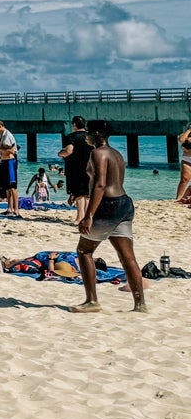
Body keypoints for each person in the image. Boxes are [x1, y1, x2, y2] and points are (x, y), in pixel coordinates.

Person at [70, 121, 146, 314]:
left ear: (96, 134)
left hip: (108, 206)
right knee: (127, 257)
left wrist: (88, 215)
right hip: (124, 204)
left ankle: (92, 301)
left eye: (88, 132)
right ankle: (140, 304)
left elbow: (100, 185)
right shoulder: (116, 154)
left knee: (84, 251)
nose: (85, 135)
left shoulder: (97, 153)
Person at [57, 116, 92, 210]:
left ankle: (80, 217)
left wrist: (60, 154)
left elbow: (69, 151)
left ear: (75, 125)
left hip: (76, 168)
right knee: (87, 193)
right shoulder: (90, 136)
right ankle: (87, 216)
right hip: (90, 167)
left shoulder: (72, 136)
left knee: (78, 193)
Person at [0, 119, 20, 217]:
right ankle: (9, 209)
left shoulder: (7, 135)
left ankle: (16, 210)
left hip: (10, 162)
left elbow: (12, 151)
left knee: (12, 187)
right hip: (4, 161)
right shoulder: (2, 135)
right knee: (7, 187)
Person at [174, 124, 191, 205]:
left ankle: (187, 196)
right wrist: (189, 131)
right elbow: (181, 140)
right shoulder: (183, 135)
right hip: (187, 159)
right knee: (184, 179)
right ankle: (179, 198)